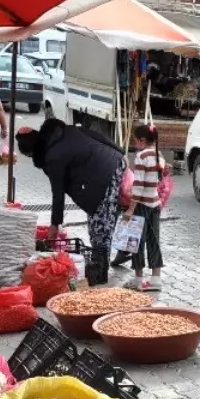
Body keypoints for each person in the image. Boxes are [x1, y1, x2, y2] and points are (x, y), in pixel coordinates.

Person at [16, 119, 126, 286]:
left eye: (29, 156)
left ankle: (100, 272)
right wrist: (120, 152)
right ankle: (104, 261)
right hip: (111, 162)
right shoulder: (64, 132)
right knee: (98, 222)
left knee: (101, 226)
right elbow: (96, 135)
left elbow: (57, 193)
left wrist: (54, 224)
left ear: (32, 151)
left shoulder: (52, 156)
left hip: (105, 172)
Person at [121, 124, 165, 291]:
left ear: (142, 140)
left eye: (136, 140)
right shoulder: (159, 155)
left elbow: (138, 185)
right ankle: (156, 280)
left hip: (141, 205)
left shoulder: (141, 156)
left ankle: (138, 279)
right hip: (155, 204)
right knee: (154, 241)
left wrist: (131, 209)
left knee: (136, 241)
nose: (135, 143)